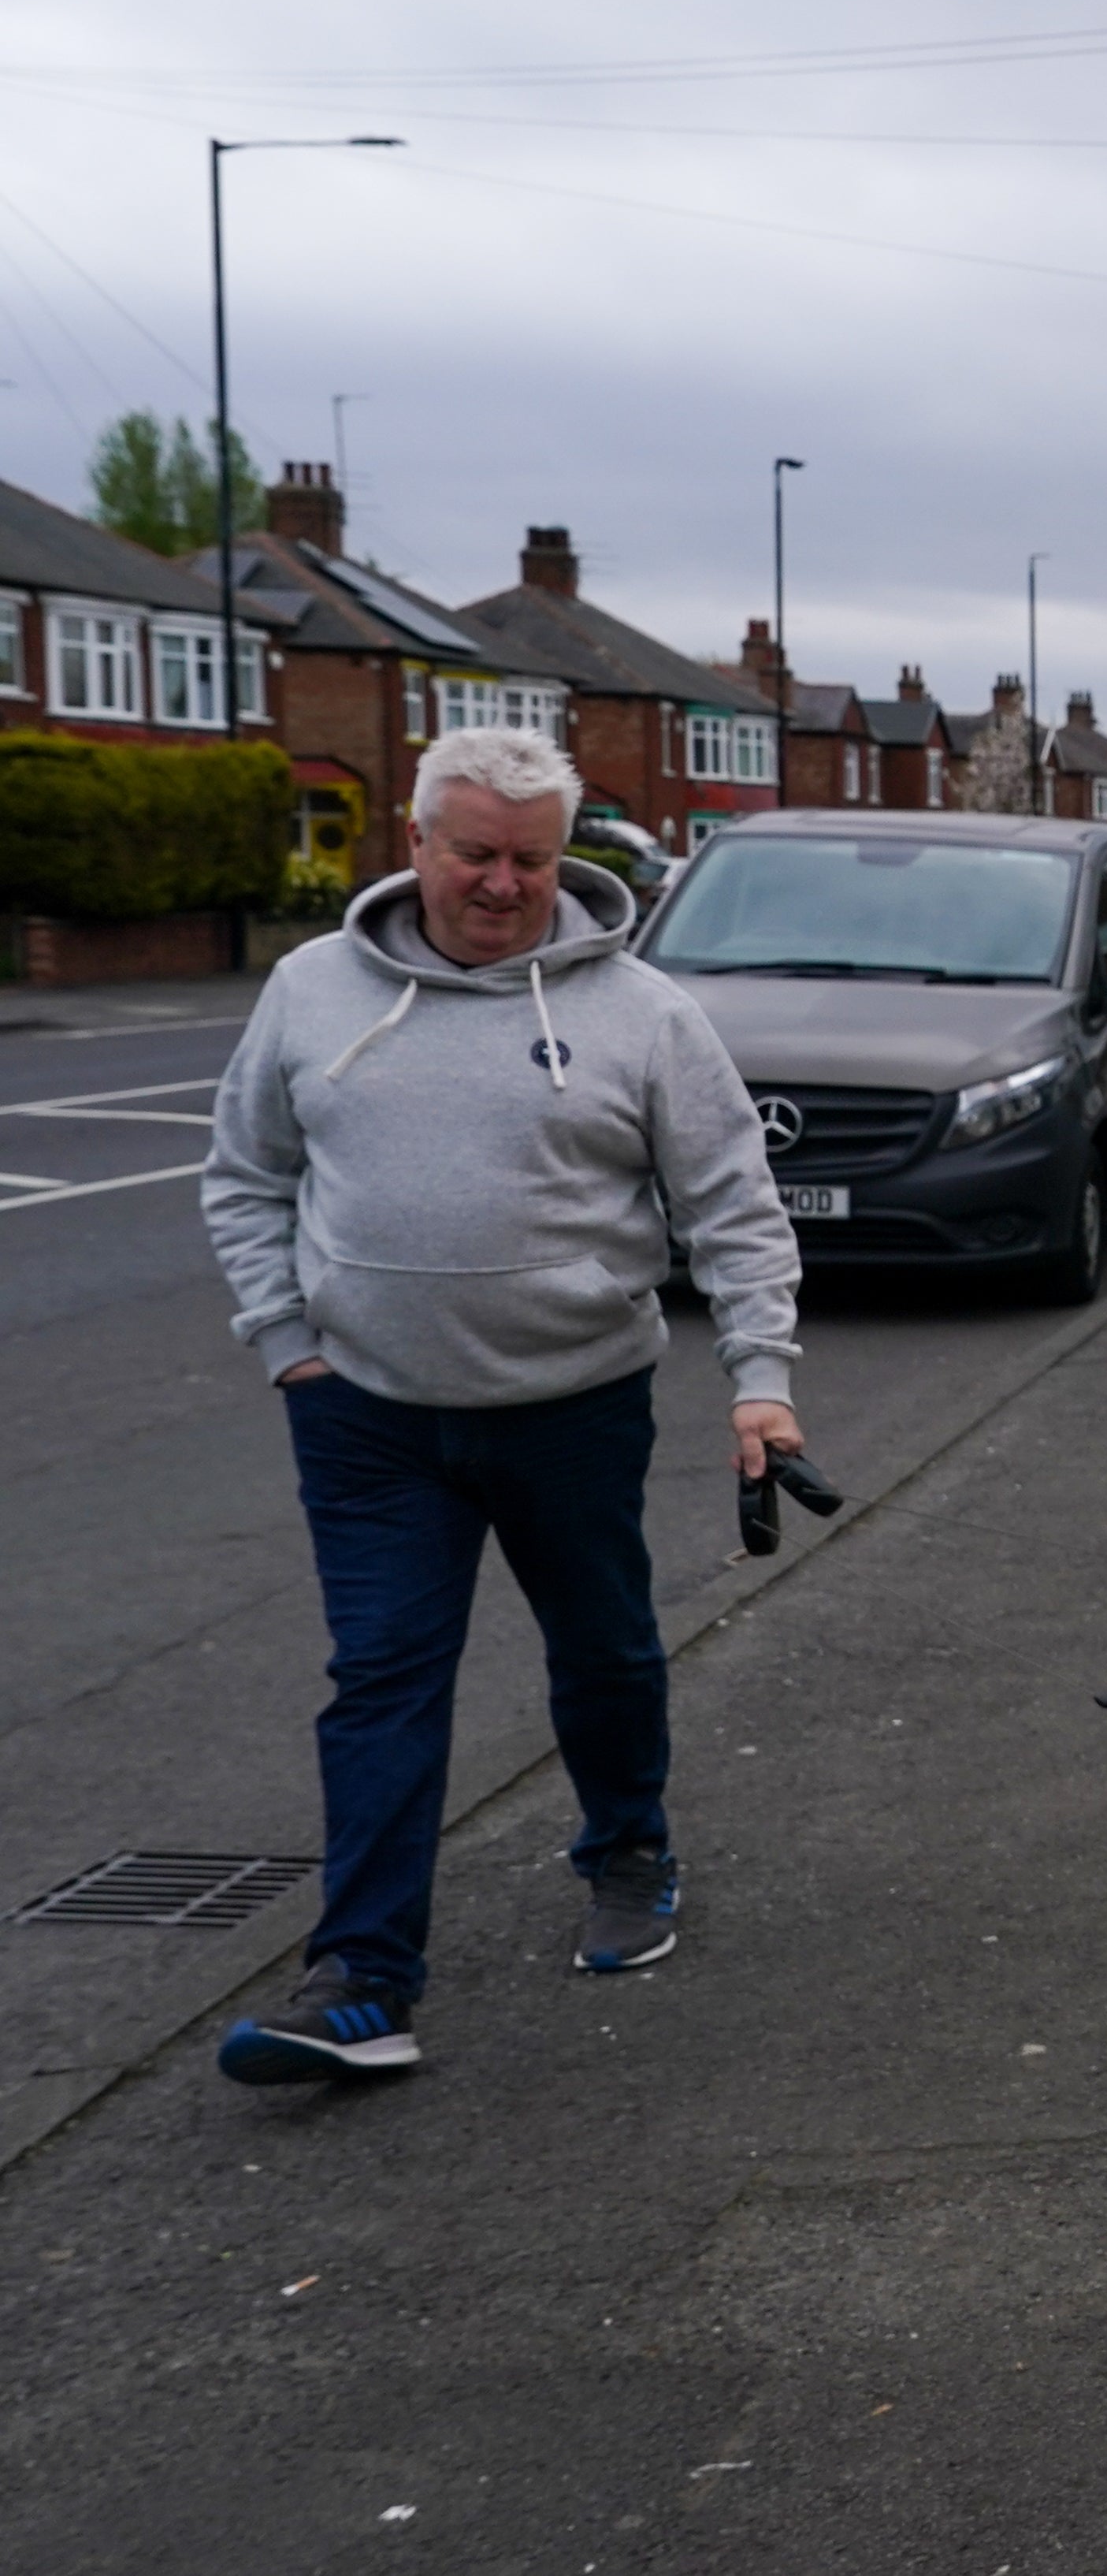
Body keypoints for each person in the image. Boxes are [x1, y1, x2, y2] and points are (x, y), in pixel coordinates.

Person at [198, 728, 810, 2083]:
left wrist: (759, 1382)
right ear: (413, 842)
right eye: (473, 852)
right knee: (382, 1681)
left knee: (600, 1651)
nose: (501, 882)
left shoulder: (643, 1012)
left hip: (571, 1405)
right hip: (365, 1413)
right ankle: (360, 1977)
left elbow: (732, 1209)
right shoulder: (310, 990)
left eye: (530, 858)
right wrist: (288, 1338)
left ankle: (629, 1848)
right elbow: (246, 1175)